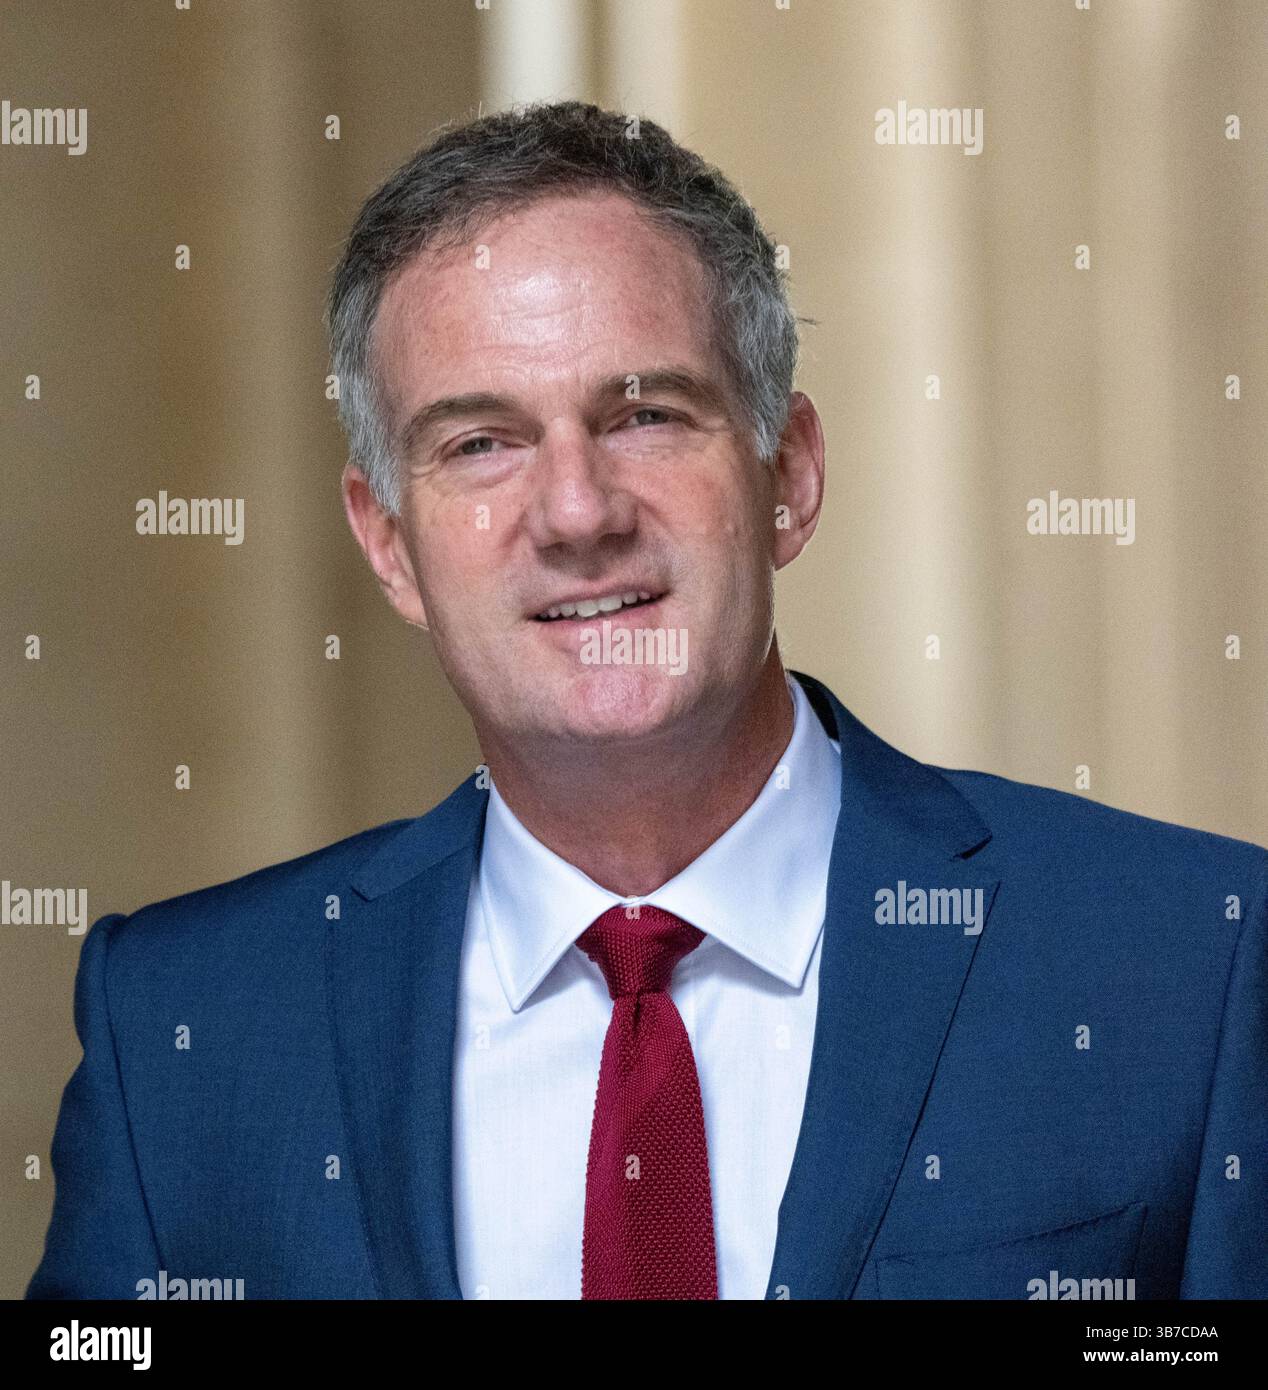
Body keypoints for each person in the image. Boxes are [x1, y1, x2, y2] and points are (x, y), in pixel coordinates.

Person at [28, 101, 1266, 1301]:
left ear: (786, 475)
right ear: (390, 544)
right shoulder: (184, 1031)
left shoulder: (1183, 966)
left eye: (644, 415)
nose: (576, 512)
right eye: (479, 443)